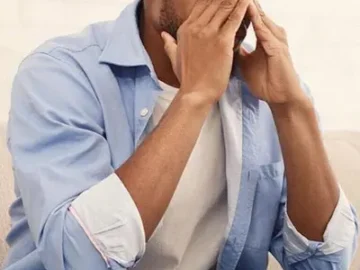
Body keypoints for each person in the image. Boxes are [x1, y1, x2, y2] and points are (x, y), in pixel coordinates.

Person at [3, 0, 358, 269]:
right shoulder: (60, 73)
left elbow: (323, 262)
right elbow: (79, 259)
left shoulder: (266, 89)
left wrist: (292, 108)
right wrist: (194, 97)